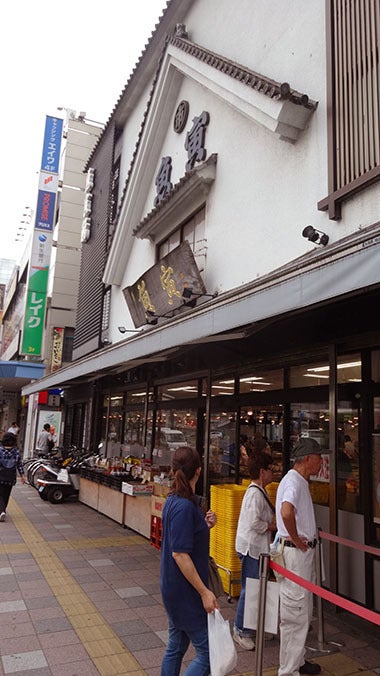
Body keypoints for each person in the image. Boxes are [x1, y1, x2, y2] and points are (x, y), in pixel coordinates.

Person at [160, 446, 218, 675]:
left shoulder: (176, 500)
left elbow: (184, 540)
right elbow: (180, 553)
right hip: (186, 591)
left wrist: (205, 525)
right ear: (199, 471)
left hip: (173, 586)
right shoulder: (184, 505)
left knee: (176, 645)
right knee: (209, 654)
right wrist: (204, 591)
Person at [275, 437, 331, 676]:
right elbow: (286, 511)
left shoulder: (297, 481)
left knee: (301, 611)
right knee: (295, 614)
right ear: (307, 459)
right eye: (319, 457)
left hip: (300, 554)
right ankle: (288, 671)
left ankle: (297, 661)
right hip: (296, 554)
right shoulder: (294, 482)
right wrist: (297, 539)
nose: (321, 462)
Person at [233, 451, 276, 649]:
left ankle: (257, 626)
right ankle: (241, 630)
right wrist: (270, 526)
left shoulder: (260, 491)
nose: (273, 473)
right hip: (251, 548)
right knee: (250, 589)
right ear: (261, 471)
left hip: (258, 548)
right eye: (270, 469)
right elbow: (253, 522)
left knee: (259, 588)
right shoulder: (254, 493)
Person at [0, 433, 26, 521]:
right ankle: (3, 510)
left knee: (0, 495)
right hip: (11, 477)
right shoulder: (16, 451)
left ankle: (1, 511)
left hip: (1, 475)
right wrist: (22, 475)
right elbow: (19, 464)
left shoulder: (0, 450)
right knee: (6, 495)